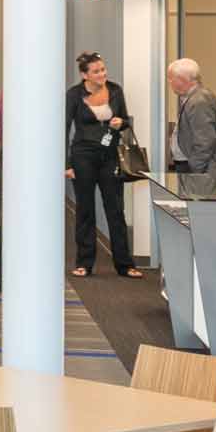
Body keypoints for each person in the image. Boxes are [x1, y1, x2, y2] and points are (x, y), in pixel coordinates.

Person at [64, 52, 141, 279]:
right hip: (83, 156)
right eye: (96, 71)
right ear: (84, 74)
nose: (102, 74)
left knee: (116, 209)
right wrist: (67, 163)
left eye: (103, 69)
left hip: (110, 157)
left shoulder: (115, 90)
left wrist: (121, 122)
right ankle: (84, 263)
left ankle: (125, 264)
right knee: (85, 210)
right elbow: (65, 127)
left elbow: (125, 119)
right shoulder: (74, 95)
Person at [165, 58, 216, 187]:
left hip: (202, 171)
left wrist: (195, 169)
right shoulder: (194, 98)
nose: (169, 82)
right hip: (198, 168)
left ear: (182, 79)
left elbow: (205, 141)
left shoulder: (199, 101)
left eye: (171, 78)